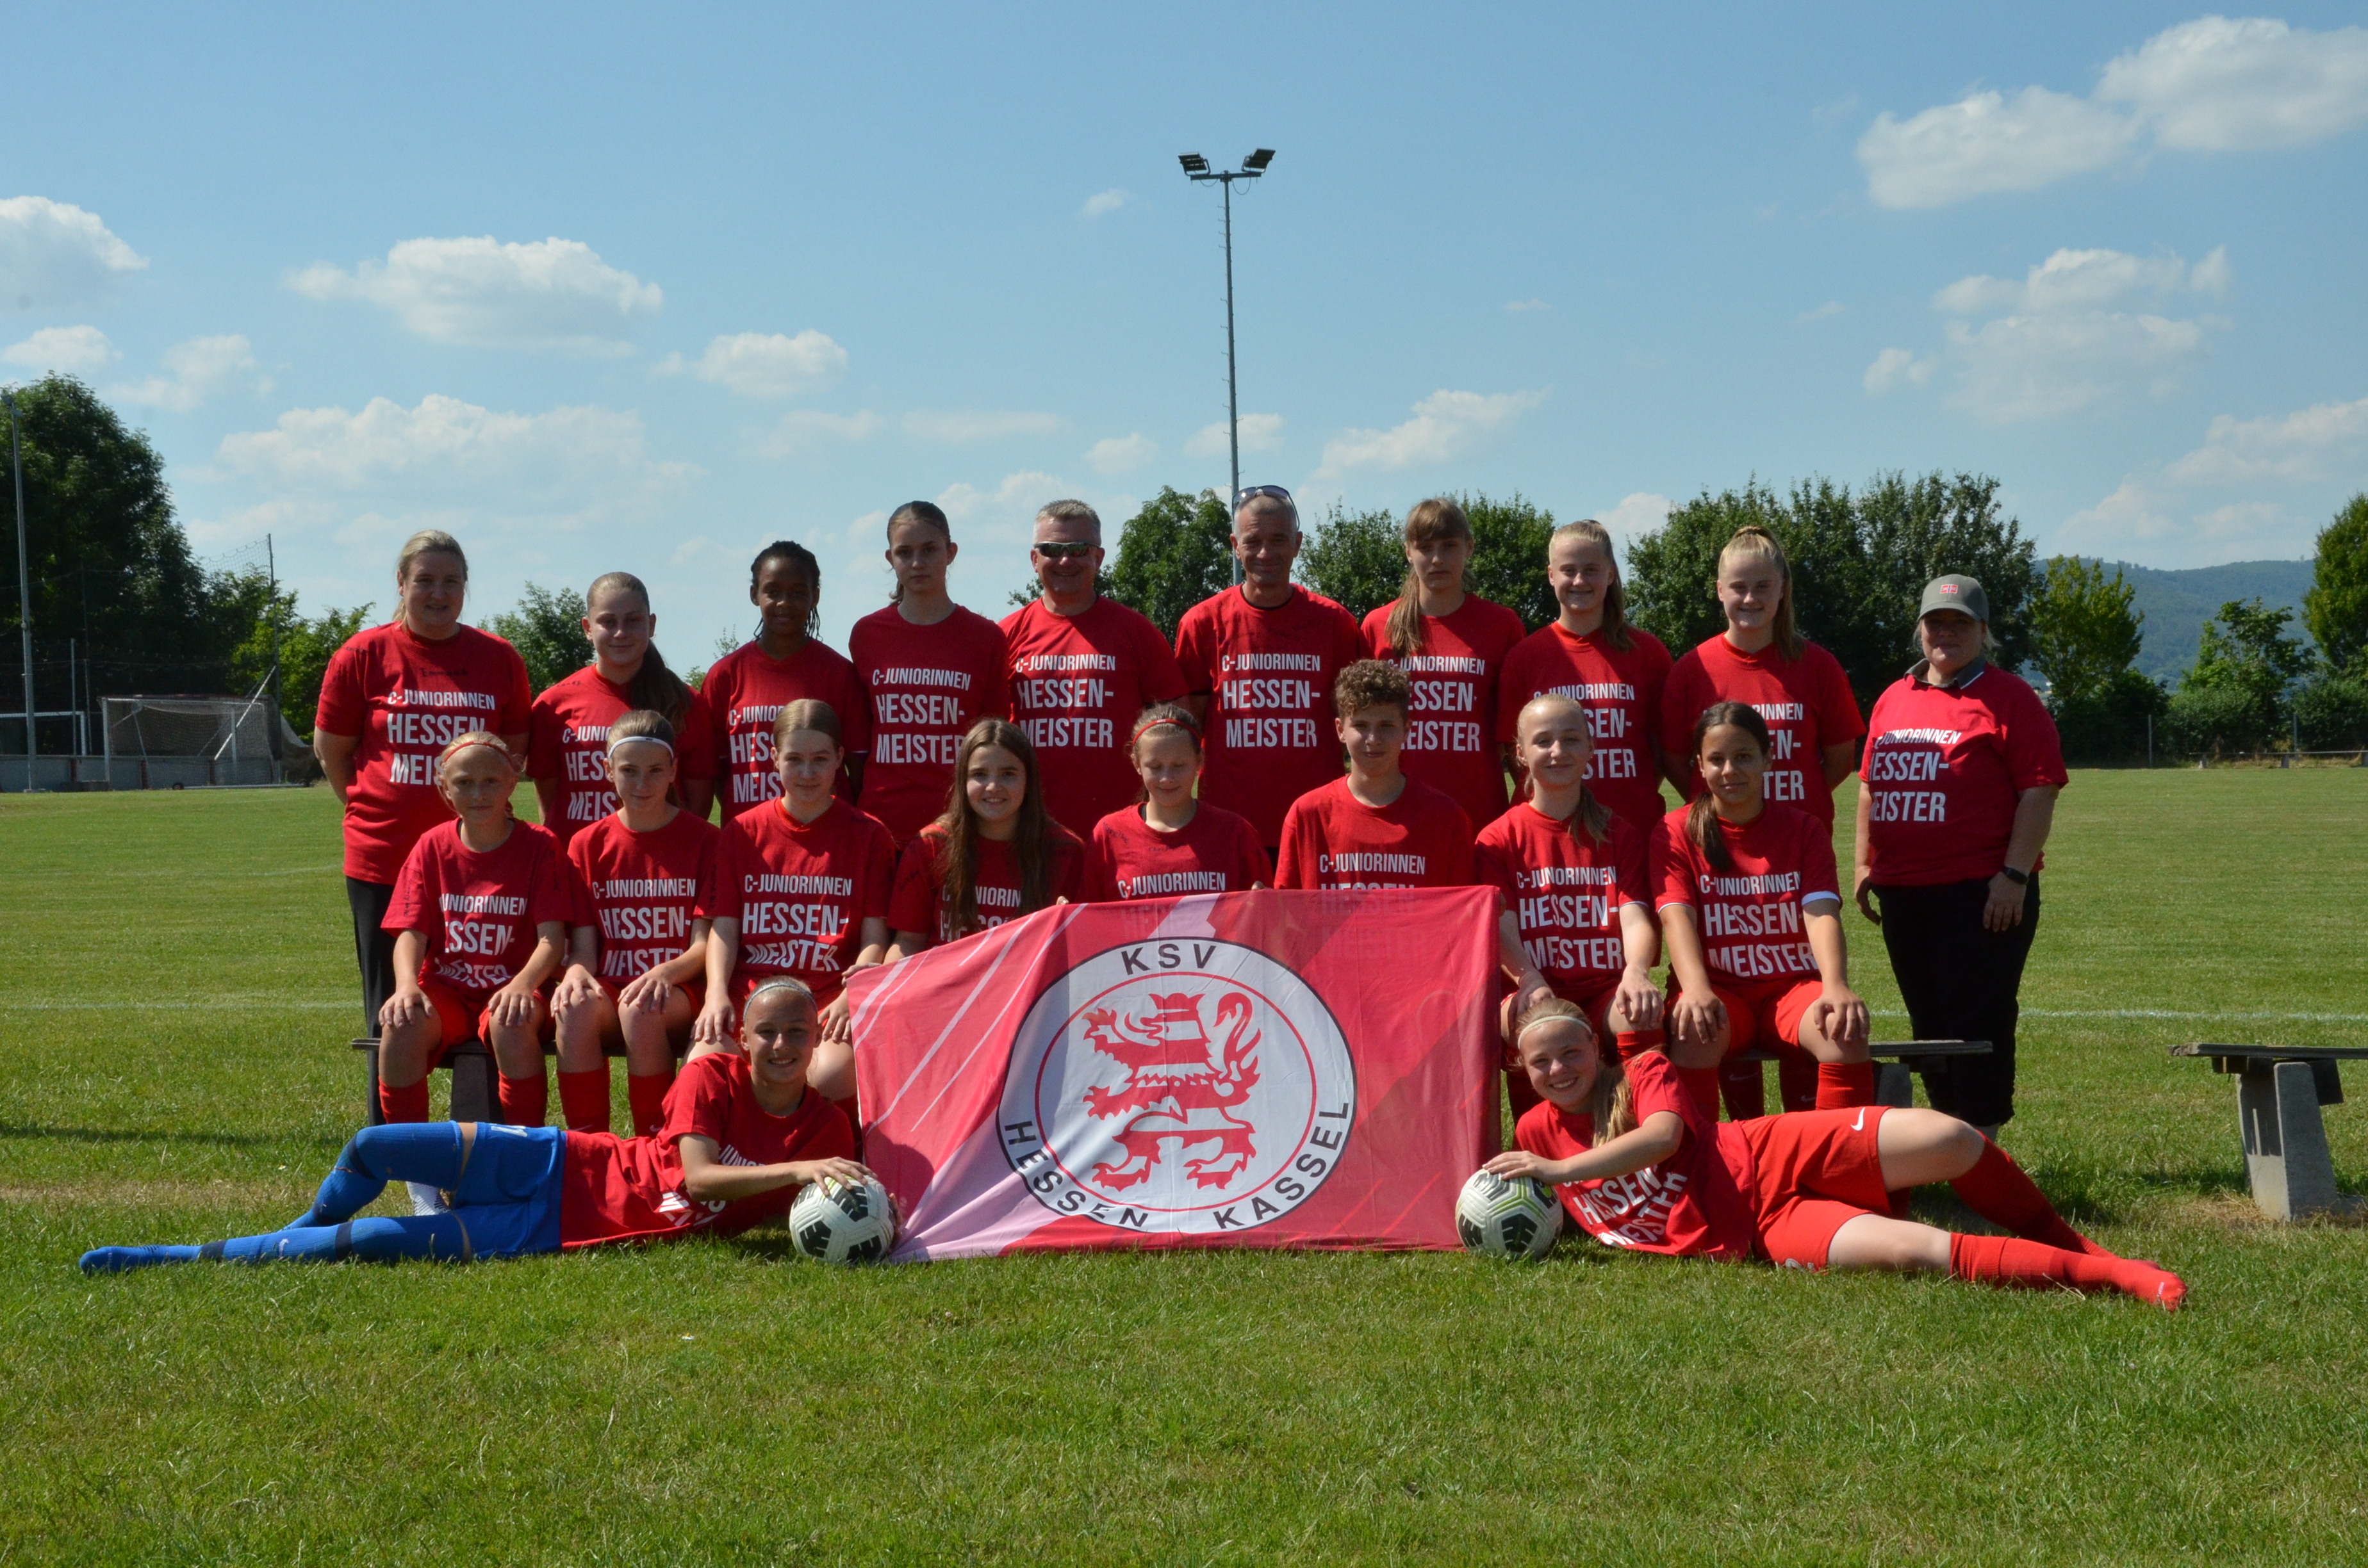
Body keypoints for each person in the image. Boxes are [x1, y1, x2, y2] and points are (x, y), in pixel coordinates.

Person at [79, 979, 870, 1274]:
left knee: (379, 1246)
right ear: (743, 1037)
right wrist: (799, 1173)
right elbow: (697, 1178)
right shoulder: (710, 1074)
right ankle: (293, 1226)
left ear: (815, 1040)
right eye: (765, 1032)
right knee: (374, 1147)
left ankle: (178, 1258)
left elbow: (869, 1198)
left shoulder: (826, 1129)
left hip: (554, 1230)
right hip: (564, 1163)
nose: (779, 1046)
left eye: (797, 1034)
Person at [1484, 999, 2183, 1309]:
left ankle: (2090, 1252)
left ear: (1595, 1049)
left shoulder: (1642, 1072)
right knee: (1920, 1252)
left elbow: (1663, 1139)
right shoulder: (1534, 1134)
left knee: (1951, 1137)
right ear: (1522, 1067)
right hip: (1756, 1230)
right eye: (1542, 1061)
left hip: (1769, 1152)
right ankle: (2109, 1280)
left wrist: (1559, 1170)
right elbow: (1540, 1209)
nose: (1559, 1068)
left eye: (1572, 1050)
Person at [1855, 575, 2067, 1137]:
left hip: (1982, 892)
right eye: (1936, 623)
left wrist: (2014, 876)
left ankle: (1984, 1145)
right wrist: (1862, 865)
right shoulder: (1895, 695)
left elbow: (2040, 790)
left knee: (1978, 1018)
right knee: (1929, 1021)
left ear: (1983, 632)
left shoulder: (2010, 697)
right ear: (1920, 629)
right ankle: (1948, 1137)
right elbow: (1870, 786)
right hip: (1903, 890)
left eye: (1960, 624)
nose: (1946, 633)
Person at [314, 530, 531, 1036]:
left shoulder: (498, 657)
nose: (438, 593)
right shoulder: (362, 654)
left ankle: (484, 1117)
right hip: (384, 857)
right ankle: (390, 1119)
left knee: (489, 1006)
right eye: (425, 581)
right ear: (401, 583)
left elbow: (513, 751)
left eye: (451, 581)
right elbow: (332, 752)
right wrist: (376, 807)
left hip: (479, 862)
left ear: (466, 587)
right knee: (391, 1011)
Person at [1652, 702, 1873, 1121]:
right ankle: (1702, 1171)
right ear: (1698, 765)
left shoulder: (1803, 827)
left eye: (1744, 757)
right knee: (1694, 1029)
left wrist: (1835, 985)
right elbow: (1676, 917)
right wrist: (1696, 988)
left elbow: (1821, 911)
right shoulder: (1677, 830)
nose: (1730, 769)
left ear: (1768, 759)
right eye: (1716, 759)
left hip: (1789, 989)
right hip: (1720, 988)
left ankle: (1839, 1170)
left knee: (1844, 1030)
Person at [1477, 694, 1663, 1124]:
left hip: (1602, 987)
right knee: (1528, 1018)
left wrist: (1636, 970)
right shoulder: (1498, 838)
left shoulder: (1618, 832)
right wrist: (1530, 978)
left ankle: (1637, 1139)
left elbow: (1635, 914)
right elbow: (1501, 925)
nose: (1557, 751)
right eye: (1543, 741)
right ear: (1520, 753)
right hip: (1534, 983)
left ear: (1591, 748)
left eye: (1570, 739)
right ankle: (1539, 1140)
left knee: (1641, 1012)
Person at [377, 734, 573, 1135]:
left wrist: (522, 985)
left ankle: (523, 1160)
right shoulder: (431, 846)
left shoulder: (540, 845)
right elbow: (411, 932)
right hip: (447, 988)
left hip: (515, 984)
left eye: (491, 781)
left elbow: (552, 939)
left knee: (510, 1021)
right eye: (464, 782)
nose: (478, 792)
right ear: (444, 789)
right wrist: (404, 987)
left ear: (512, 781)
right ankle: (421, 1183)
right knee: (402, 1025)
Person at [696, 701, 895, 1083]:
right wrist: (716, 993)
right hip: (751, 996)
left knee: (827, 1076)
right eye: (794, 759)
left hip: (826, 1000)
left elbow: (875, 940)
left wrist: (851, 995)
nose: (807, 773)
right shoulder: (742, 832)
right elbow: (724, 928)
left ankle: (829, 1144)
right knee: (705, 1070)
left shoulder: (869, 835)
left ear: (839, 758)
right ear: (774, 758)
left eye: (820, 759)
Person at [549, 710, 720, 1138]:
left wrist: (662, 973)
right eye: (629, 771)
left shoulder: (705, 840)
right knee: (573, 1008)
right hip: (615, 986)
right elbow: (586, 947)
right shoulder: (587, 843)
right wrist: (574, 973)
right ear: (607, 771)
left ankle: (654, 1143)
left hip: (680, 988)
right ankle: (587, 1146)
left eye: (655, 771)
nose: (642, 784)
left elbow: (704, 949)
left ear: (673, 772)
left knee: (642, 1006)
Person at [1172, 486, 1365, 860]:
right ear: (1235, 544)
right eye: (1253, 540)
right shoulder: (1202, 623)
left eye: (1278, 540)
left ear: (1298, 543)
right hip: (1229, 825)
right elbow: (1186, 729)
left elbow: (1357, 721)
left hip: (1317, 821)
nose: (1266, 553)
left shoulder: (1335, 623)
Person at [1001, 499, 1187, 834]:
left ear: (1098, 558)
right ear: (1034, 559)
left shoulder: (1136, 632)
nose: (1065, 560)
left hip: (1124, 830)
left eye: (1079, 549)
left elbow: (1177, 729)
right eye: (1051, 549)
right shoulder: (1006, 635)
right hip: (1028, 831)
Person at [1659, 525, 1863, 828]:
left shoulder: (1819, 665)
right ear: (1719, 590)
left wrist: (1798, 798)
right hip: (1719, 837)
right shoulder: (1693, 668)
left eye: (1763, 586)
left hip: (1798, 836)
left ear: (1782, 589)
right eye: (1739, 587)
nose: (1750, 598)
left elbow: (1840, 760)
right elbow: (1674, 760)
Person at [1361, 497, 1529, 833]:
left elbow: (1516, 734)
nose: (1437, 559)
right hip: (1396, 810)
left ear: (1469, 548)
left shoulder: (1502, 625)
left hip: (1478, 810)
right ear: (1409, 552)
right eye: (1425, 547)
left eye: (1449, 546)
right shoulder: (1379, 625)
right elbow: (1361, 727)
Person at [1497, 518, 1675, 833]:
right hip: (1547, 833)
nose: (1579, 580)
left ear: (1610, 574)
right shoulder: (1524, 657)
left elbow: (1663, 749)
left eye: (1591, 570)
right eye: (1568, 570)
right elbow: (1515, 753)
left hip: (1630, 829)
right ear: (1552, 575)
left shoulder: (1647, 653)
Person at [849, 502, 1009, 847]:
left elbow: (995, 740)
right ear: (890, 559)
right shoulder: (867, 634)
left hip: (960, 823)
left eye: (930, 550)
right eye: (904, 553)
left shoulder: (985, 638)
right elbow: (859, 739)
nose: (917, 563)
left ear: (950, 553)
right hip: (882, 824)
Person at [529, 572, 716, 847]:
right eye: (608, 622)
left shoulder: (685, 702)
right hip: (579, 866)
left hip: (660, 868)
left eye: (633, 621)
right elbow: (550, 803)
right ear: (587, 628)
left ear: (651, 625)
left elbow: (698, 802)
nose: (620, 632)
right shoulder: (552, 704)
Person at [886, 719, 1085, 955]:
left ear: (1029, 780)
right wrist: (881, 984)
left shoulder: (1065, 850)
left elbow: (1080, 953)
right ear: (963, 780)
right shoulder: (931, 845)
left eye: (1008, 774)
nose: (993, 786)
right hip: (947, 988)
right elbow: (908, 941)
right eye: (979, 774)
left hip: (1027, 989)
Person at [1274, 660, 1476, 892]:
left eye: (1386, 725)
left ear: (1407, 730)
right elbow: (1285, 915)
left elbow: (1462, 916)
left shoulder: (1446, 819)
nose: (1373, 739)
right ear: (1340, 730)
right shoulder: (1308, 815)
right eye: (1361, 725)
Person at [706, 540, 871, 821]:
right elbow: (716, 772)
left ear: (815, 596)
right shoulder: (725, 675)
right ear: (754, 594)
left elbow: (858, 768)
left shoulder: (840, 673)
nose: (784, 603)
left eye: (797, 593)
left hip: (826, 834)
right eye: (773, 592)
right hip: (750, 838)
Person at [1084, 704, 1271, 902]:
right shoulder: (1109, 834)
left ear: (1200, 761)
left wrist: (1265, 903)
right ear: (1137, 764)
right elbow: (1086, 919)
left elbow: (1269, 918)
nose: (1167, 778)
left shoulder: (1234, 832)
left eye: (1179, 765)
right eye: (1155, 767)